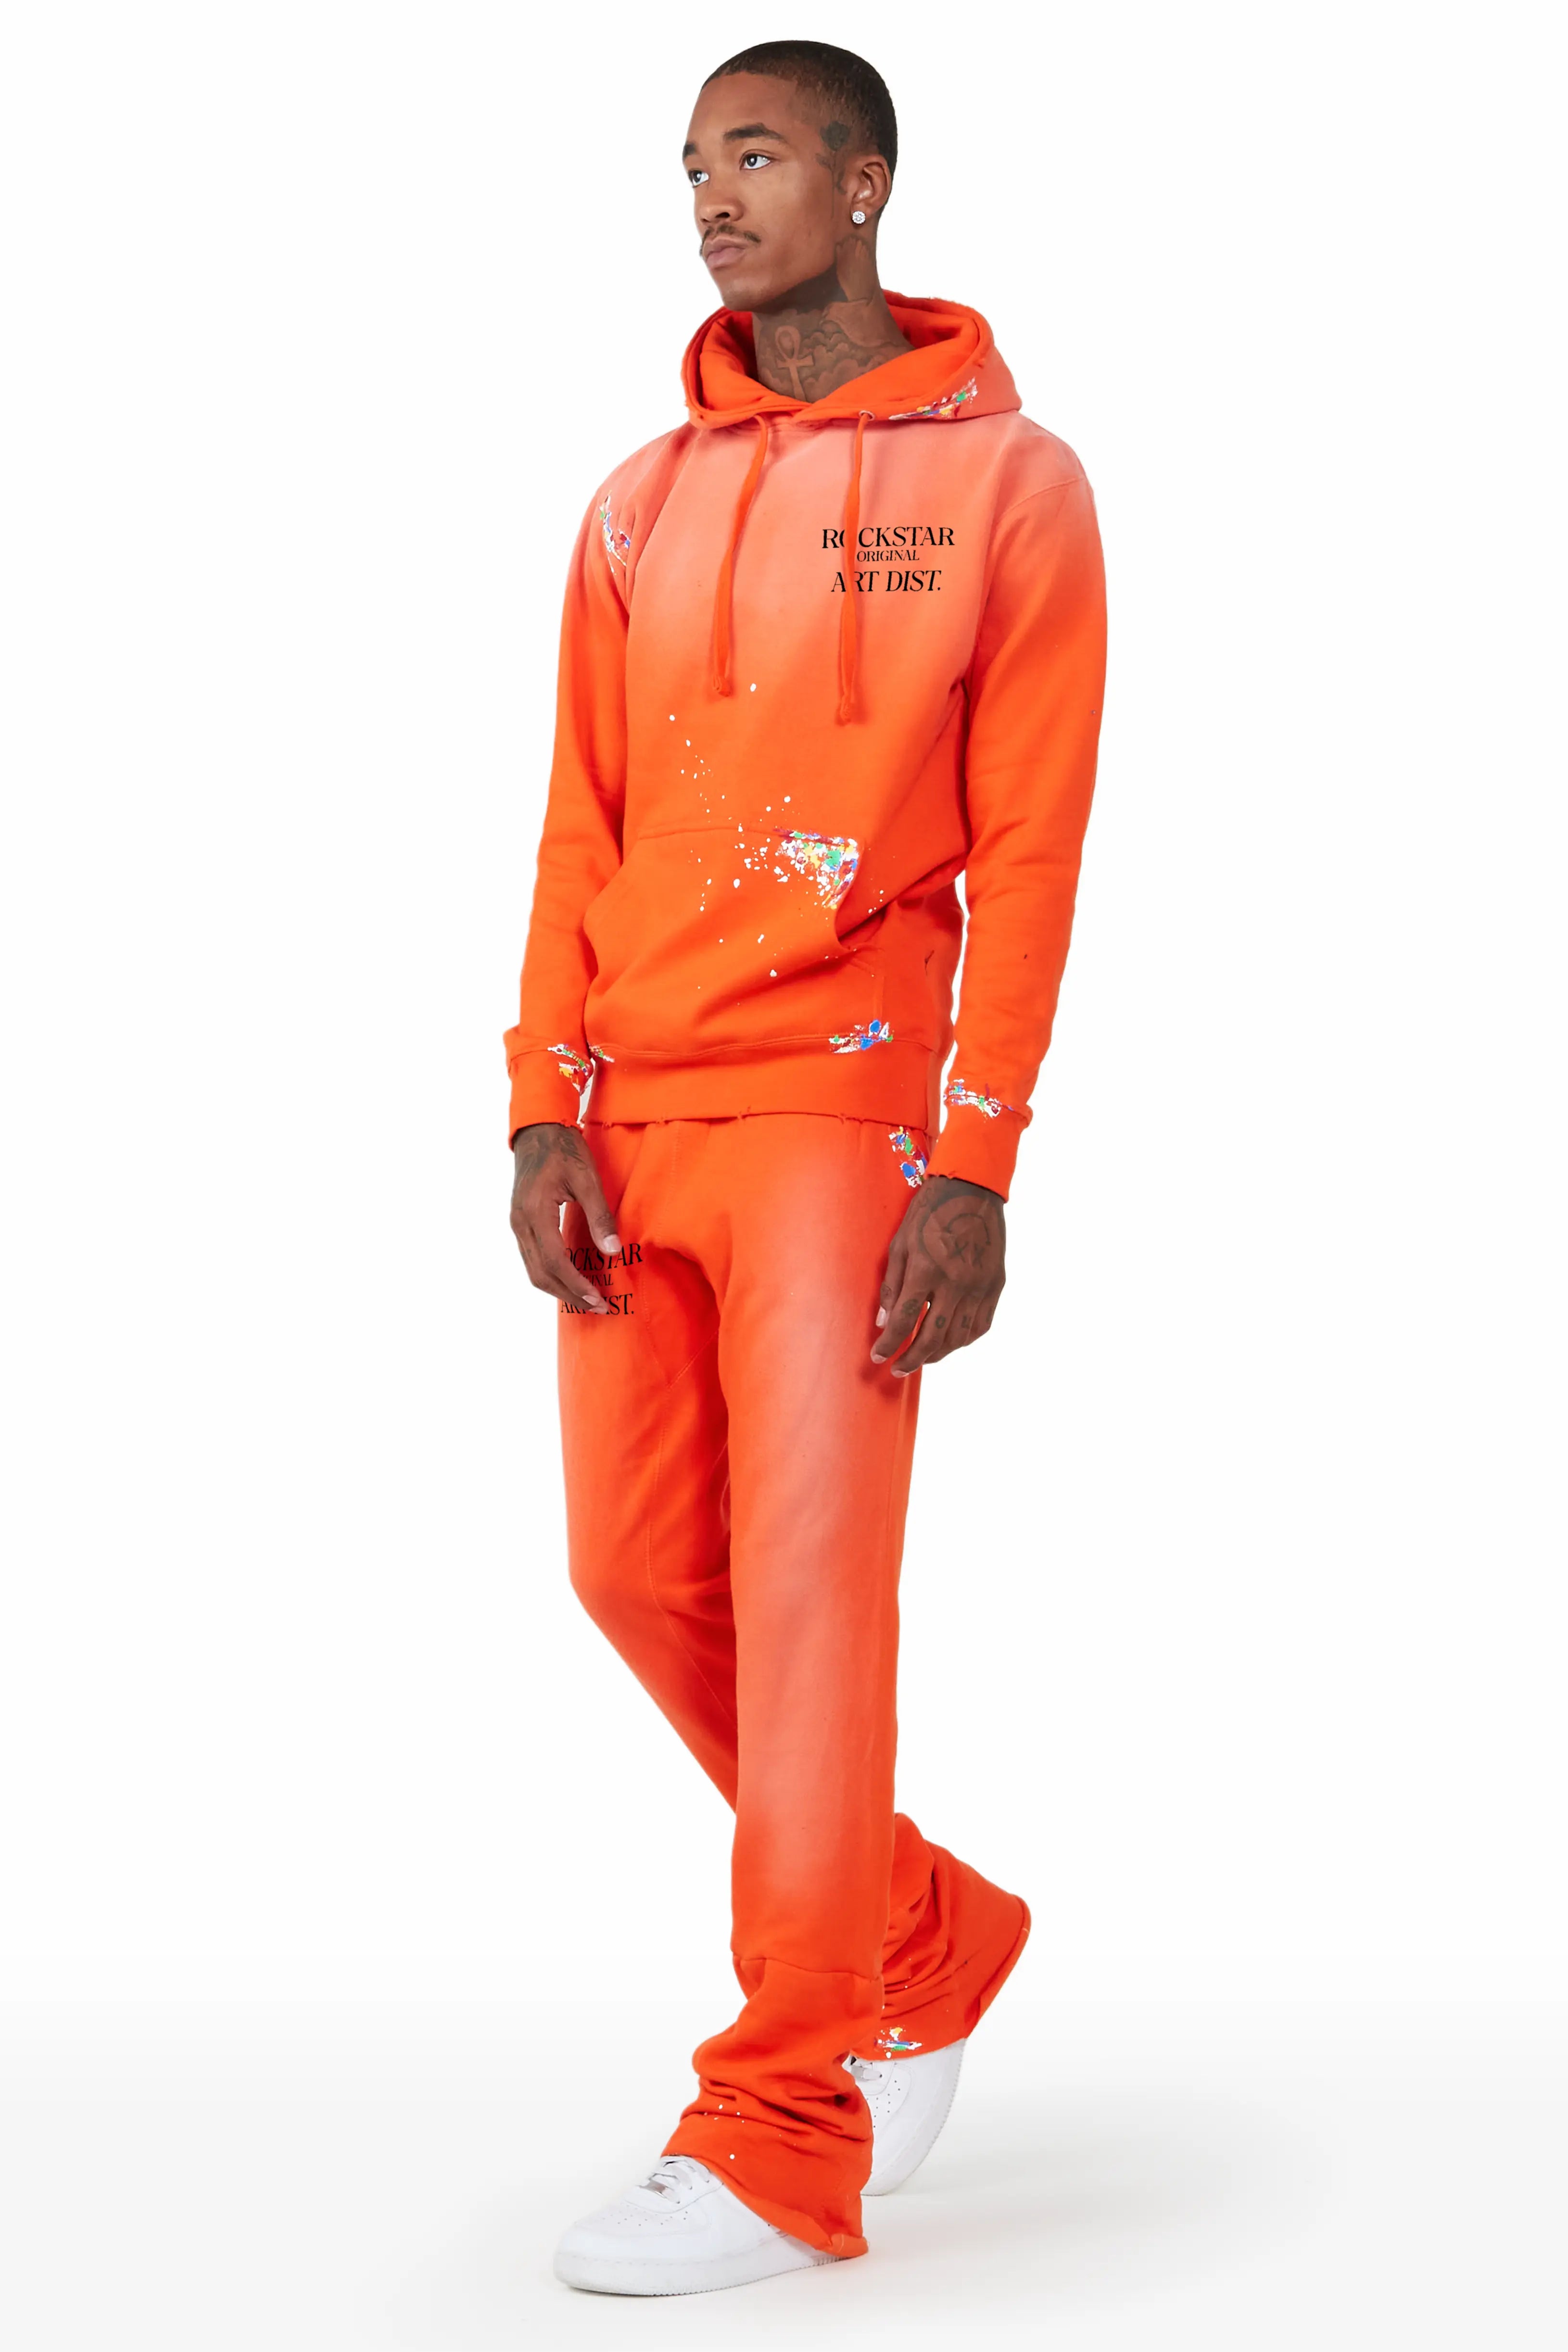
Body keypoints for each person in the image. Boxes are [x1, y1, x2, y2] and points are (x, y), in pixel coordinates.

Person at [506, 39, 1106, 2298]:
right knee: (629, 1570)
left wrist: (976, 1152)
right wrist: (536, 1101)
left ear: (864, 182)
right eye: (690, 163)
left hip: (842, 1110)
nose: (711, 196)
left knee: (811, 1603)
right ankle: (919, 1930)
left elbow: (1030, 841)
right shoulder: (635, 504)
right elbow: (576, 821)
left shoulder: (1007, 486)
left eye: (754, 154)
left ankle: (778, 2128)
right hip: (633, 1107)